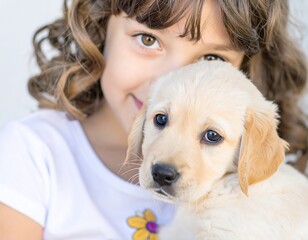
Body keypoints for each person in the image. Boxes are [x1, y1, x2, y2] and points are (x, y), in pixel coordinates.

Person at [0, 0, 307, 239]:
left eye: (211, 59)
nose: (169, 78)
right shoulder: (34, 155)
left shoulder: (261, 182)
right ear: (100, 26)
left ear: (245, 67)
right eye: (147, 39)